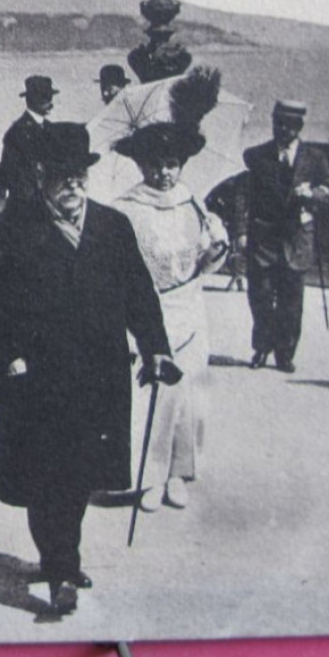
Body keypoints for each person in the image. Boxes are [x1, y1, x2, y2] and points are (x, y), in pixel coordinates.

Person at [0, 122, 176, 615]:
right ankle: (61, 566)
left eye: (80, 176)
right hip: (37, 377)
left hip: (100, 374)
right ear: (41, 175)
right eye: (62, 176)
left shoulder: (112, 227)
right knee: (47, 476)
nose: (73, 186)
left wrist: (157, 349)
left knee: (80, 474)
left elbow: (140, 295)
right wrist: (6, 355)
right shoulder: (10, 233)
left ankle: (60, 554)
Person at [111, 116, 229, 511]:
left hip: (189, 309)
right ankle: (148, 477)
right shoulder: (125, 209)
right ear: (141, 164)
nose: (164, 173)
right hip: (146, 313)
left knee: (189, 393)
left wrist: (216, 250)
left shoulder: (193, 204)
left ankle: (178, 473)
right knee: (150, 395)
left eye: (172, 163)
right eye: (156, 164)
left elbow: (202, 264)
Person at [243, 100, 329, 373]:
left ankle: (284, 352)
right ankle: (261, 347)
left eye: (289, 125)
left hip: (297, 240)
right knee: (259, 296)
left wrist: (312, 194)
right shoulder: (256, 156)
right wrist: (239, 233)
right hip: (264, 239)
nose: (282, 129)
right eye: (278, 123)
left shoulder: (315, 158)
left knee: (291, 302)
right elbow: (242, 194)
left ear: (299, 127)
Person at [0, 75, 57, 218]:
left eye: (49, 97)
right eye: (44, 97)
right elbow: (8, 171)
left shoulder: (51, 129)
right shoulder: (16, 132)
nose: (50, 102)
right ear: (31, 99)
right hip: (26, 206)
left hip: (49, 203)